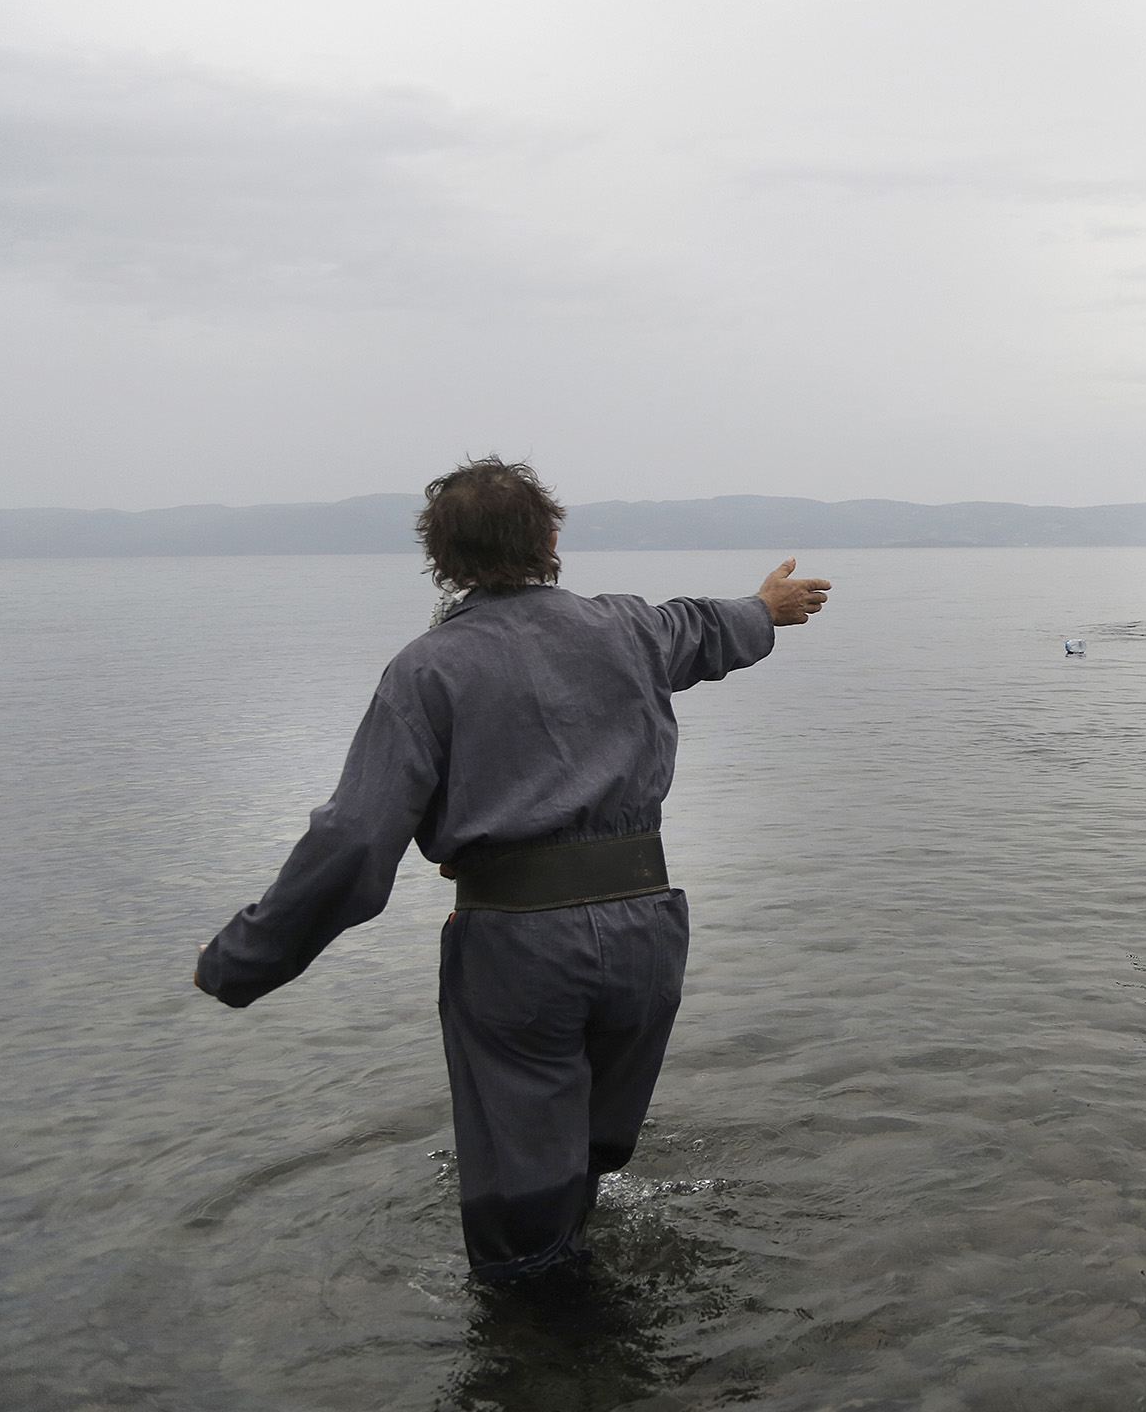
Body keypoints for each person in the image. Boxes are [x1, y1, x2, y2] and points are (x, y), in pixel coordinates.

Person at [191, 458, 831, 1282]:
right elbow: (704, 626)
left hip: (521, 949)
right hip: (648, 932)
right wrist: (766, 608)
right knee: (593, 1156)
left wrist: (242, 960)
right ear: (552, 538)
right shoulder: (629, 629)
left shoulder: (428, 670)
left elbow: (354, 840)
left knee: (521, 1199)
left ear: (441, 558)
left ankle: (542, 1340)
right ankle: (605, 1339)